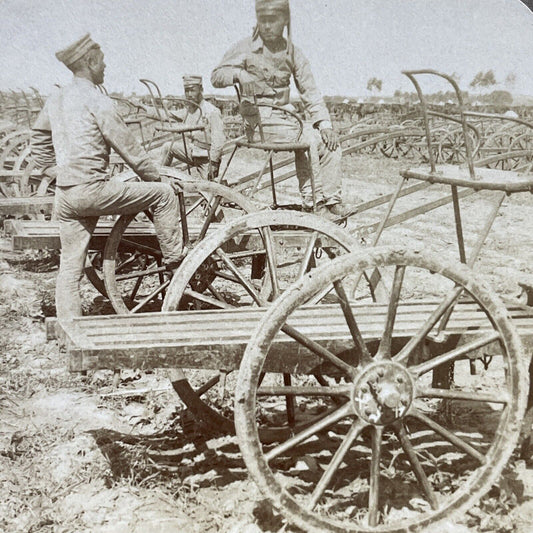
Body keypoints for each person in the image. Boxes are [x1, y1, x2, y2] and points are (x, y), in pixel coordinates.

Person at [31, 34, 184, 323]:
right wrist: (158, 177)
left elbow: (38, 138)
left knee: (70, 268)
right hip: (92, 191)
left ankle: (70, 332)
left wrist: (52, 171)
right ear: (89, 62)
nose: (106, 66)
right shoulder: (96, 100)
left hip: (65, 196)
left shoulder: (57, 97)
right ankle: (178, 262)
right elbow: (130, 150)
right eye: (101, 61)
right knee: (163, 194)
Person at [211, 0, 349, 218]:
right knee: (309, 141)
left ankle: (332, 200)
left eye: (272, 20)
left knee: (329, 143)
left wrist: (325, 124)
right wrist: (238, 74)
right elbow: (216, 76)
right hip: (259, 123)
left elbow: (310, 91)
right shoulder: (246, 47)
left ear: (285, 21)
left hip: (287, 119)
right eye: (262, 20)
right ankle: (315, 203)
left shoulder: (293, 53)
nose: (267, 26)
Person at [160, 75, 226, 180]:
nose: (189, 94)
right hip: (192, 153)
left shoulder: (212, 111)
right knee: (168, 147)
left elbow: (218, 140)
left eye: (192, 90)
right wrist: (144, 109)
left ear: (201, 89)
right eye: (186, 91)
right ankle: (158, 178)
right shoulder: (190, 110)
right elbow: (168, 115)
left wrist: (213, 163)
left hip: (206, 158)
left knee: (208, 191)